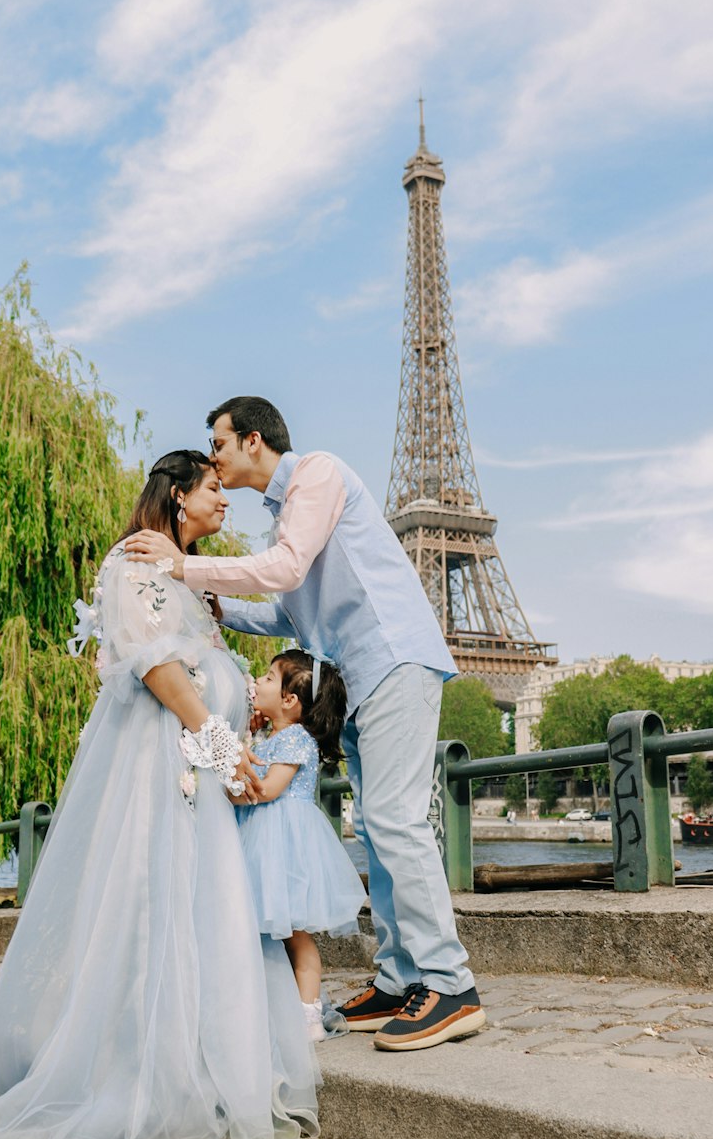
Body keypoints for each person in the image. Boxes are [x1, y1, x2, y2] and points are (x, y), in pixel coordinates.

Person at [0, 450, 318, 1139]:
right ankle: (140, 1068)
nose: (225, 501)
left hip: (200, 779)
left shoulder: (191, 583)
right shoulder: (134, 565)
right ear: (179, 496)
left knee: (201, 910)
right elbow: (156, 667)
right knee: (153, 905)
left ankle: (196, 1059)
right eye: (215, 489)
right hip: (162, 776)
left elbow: (208, 677)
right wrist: (217, 741)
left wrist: (234, 755)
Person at [126, 398, 486, 1053]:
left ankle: (451, 985)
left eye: (220, 443)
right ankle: (401, 978)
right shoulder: (284, 517)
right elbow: (289, 616)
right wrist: (216, 605)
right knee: (376, 827)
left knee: (396, 820)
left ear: (253, 439)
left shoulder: (317, 474)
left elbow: (286, 570)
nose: (214, 457)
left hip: (392, 659)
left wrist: (185, 566)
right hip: (353, 677)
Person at [234, 650, 367, 1041]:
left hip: (283, 846)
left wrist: (230, 788)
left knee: (295, 933)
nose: (258, 681)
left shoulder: (295, 739)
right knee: (260, 928)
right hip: (262, 841)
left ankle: (308, 1015)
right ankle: (269, 1004)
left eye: (269, 678)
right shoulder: (267, 734)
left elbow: (270, 789)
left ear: (290, 700)